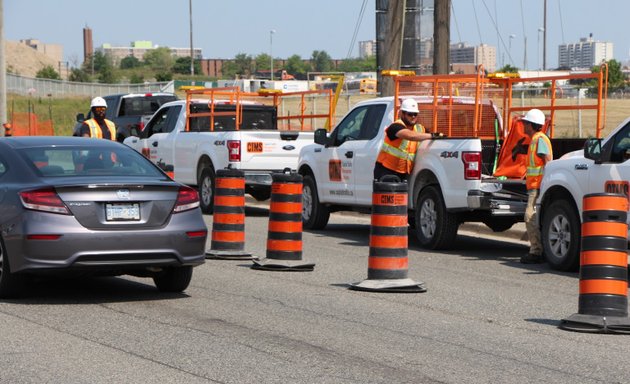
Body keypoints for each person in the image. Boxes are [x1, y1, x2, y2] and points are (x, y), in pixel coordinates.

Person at [374, 98, 443, 181]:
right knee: (387, 194)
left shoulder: (419, 129)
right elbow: (410, 136)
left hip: (404, 173)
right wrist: (432, 135)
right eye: (410, 114)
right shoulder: (395, 127)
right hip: (386, 170)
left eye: (415, 114)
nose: (413, 117)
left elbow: (425, 136)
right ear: (402, 114)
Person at [520, 108, 553, 264]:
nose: (523, 126)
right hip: (535, 185)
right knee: (533, 217)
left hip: (538, 186)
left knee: (529, 216)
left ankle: (536, 252)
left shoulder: (539, 139)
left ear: (531, 125)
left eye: (526, 123)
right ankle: (539, 250)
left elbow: (548, 161)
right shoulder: (537, 139)